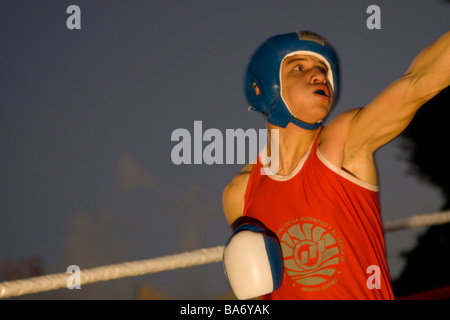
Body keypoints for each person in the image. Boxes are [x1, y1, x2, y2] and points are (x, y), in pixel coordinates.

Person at [222, 30, 450, 300]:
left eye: (323, 70)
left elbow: (418, 82)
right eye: (299, 67)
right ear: (263, 86)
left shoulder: (342, 142)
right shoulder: (240, 194)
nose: (319, 75)